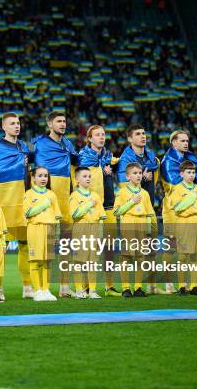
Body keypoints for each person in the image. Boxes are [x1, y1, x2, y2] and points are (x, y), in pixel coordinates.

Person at [0, 113, 33, 299]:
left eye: (18, 123)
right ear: (3, 127)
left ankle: (28, 286)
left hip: (22, 202)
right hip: (2, 203)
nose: (16, 126)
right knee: (0, 248)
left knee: (25, 245)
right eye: (12, 123)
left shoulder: (24, 147)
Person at [32, 111, 78, 297]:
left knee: (66, 244)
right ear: (50, 124)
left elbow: (79, 161)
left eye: (64, 121)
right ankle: (39, 288)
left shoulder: (68, 144)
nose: (63, 124)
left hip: (65, 197)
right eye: (59, 121)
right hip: (46, 199)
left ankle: (65, 287)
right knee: (45, 246)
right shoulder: (39, 143)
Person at [117, 124, 162, 295]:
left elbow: (157, 165)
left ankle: (148, 285)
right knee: (129, 255)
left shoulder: (150, 156)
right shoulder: (126, 159)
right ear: (130, 139)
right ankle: (127, 287)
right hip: (132, 215)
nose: (143, 136)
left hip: (147, 208)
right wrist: (143, 178)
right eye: (138, 134)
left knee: (148, 251)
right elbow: (125, 186)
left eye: (144, 133)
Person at [77, 125, 121, 297]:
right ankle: (86, 287)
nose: (101, 138)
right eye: (97, 135)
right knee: (89, 249)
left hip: (109, 206)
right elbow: (81, 178)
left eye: (103, 134)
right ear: (89, 139)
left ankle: (109, 286)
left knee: (109, 248)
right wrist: (103, 171)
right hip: (91, 209)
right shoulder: (83, 157)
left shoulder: (108, 156)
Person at [160, 130, 197, 294]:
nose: (186, 143)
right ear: (173, 143)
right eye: (182, 141)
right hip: (173, 210)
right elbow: (177, 185)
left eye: (187, 141)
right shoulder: (168, 162)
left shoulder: (187, 157)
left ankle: (188, 284)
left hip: (188, 210)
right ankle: (169, 284)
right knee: (171, 247)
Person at [113, 162, 155, 298]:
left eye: (139, 173)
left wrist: (148, 232)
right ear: (127, 176)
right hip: (129, 225)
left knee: (140, 257)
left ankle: (138, 287)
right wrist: (131, 202)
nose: (138, 175)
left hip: (142, 225)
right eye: (135, 173)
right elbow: (117, 212)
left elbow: (149, 213)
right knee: (126, 256)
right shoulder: (122, 192)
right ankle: (125, 288)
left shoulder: (145, 193)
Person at [167, 161, 197, 296]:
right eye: (188, 172)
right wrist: (191, 201)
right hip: (183, 224)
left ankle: (194, 286)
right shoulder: (177, 189)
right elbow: (177, 209)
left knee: (195, 255)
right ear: (181, 173)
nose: (191, 175)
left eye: (193, 172)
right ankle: (182, 286)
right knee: (183, 256)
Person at [23, 166, 62, 302]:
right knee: (35, 260)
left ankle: (46, 290)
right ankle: (37, 291)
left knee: (47, 262)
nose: (43, 178)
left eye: (45, 176)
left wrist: (57, 234)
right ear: (33, 178)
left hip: (50, 229)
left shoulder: (52, 194)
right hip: (35, 228)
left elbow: (57, 215)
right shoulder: (29, 194)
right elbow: (27, 213)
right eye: (40, 176)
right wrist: (44, 205)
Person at [69, 167, 106, 299]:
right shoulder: (74, 196)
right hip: (81, 229)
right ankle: (79, 290)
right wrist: (88, 204)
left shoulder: (96, 195)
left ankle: (93, 290)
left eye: (89, 176)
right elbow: (75, 214)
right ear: (77, 180)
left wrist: (100, 234)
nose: (88, 178)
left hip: (94, 229)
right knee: (79, 262)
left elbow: (101, 216)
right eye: (84, 176)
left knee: (92, 262)